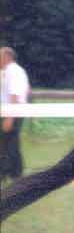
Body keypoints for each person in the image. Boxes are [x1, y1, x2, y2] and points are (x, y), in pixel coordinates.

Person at [1, 47, 30, 182]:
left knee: (8, 143)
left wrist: (10, 116)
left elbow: (14, 94)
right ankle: (14, 173)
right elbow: (27, 90)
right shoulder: (18, 71)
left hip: (13, 111)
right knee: (11, 142)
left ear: (7, 57)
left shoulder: (12, 71)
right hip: (16, 110)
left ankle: (9, 174)